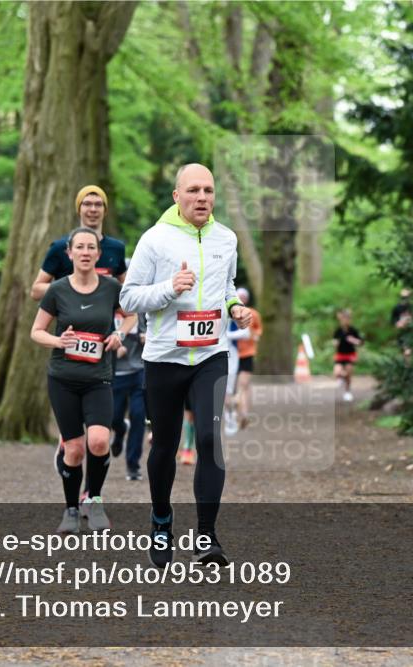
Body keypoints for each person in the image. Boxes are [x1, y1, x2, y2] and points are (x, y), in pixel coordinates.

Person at [120, 163, 252, 568]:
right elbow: (128, 299)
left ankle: (207, 537)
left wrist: (235, 307)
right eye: (193, 190)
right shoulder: (155, 240)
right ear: (176, 195)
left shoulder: (226, 239)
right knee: (165, 446)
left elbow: (226, 286)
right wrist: (168, 289)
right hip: (164, 358)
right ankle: (161, 521)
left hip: (210, 356)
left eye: (208, 191)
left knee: (210, 441)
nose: (202, 198)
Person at [29, 185, 137, 510]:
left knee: (101, 434)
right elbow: (37, 289)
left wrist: (120, 329)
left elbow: (129, 295)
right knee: (76, 445)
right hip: (68, 349)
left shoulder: (116, 249)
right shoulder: (60, 249)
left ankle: (94, 493)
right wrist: (69, 288)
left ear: (105, 209)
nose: (92, 209)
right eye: (86, 204)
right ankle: (71, 463)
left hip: (101, 349)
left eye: (98, 204)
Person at [111, 307, 146, 481]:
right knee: (114, 417)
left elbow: (156, 331)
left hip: (139, 371)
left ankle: (133, 465)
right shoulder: (108, 305)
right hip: (115, 374)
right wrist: (112, 351)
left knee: (138, 416)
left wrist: (147, 338)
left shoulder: (141, 307)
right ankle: (120, 430)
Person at [233, 287, 261, 430]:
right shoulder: (230, 312)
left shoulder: (253, 314)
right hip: (232, 353)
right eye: (240, 296)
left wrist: (254, 335)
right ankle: (242, 413)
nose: (242, 299)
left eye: (244, 296)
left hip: (247, 353)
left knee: (242, 386)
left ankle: (243, 414)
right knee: (242, 386)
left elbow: (258, 330)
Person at [333, 308, 363, 403]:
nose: (345, 320)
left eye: (347, 318)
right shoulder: (338, 331)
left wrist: (354, 340)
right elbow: (334, 341)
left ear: (349, 319)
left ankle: (347, 392)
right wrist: (335, 343)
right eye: (343, 318)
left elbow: (361, 342)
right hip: (340, 354)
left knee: (348, 372)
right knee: (337, 372)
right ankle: (341, 378)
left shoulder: (353, 331)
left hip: (350, 354)